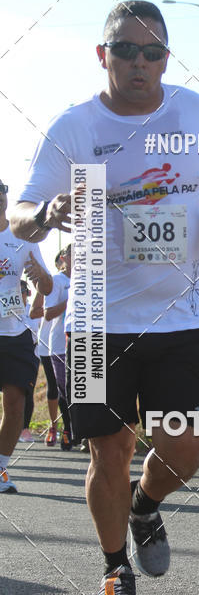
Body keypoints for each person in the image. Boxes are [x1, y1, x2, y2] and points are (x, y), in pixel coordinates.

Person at [12, 0, 199, 595]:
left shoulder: (195, 111)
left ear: (166, 58)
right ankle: (115, 572)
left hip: (178, 311)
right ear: (103, 56)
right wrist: (43, 218)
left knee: (185, 447)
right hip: (92, 317)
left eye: (153, 52)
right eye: (126, 51)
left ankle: (146, 504)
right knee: (107, 450)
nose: (141, 64)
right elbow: (20, 209)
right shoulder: (75, 126)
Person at [0, 179, 52, 492]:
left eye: (1, 193)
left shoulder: (22, 237)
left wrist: (42, 278)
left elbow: (46, 287)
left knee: (16, 404)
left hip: (15, 330)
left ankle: (1, 468)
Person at [44, 245, 72, 451]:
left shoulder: (93, 278)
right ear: (64, 258)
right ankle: (67, 429)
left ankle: (85, 434)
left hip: (87, 339)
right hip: (60, 344)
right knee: (65, 389)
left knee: (88, 390)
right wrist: (71, 301)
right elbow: (47, 313)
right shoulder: (58, 281)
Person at [18, 280, 40, 442]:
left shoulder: (33, 311)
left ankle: (24, 428)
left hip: (31, 355)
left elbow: (36, 331)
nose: (20, 294)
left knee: (28, 393)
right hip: (9, 354)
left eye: (23, 291)